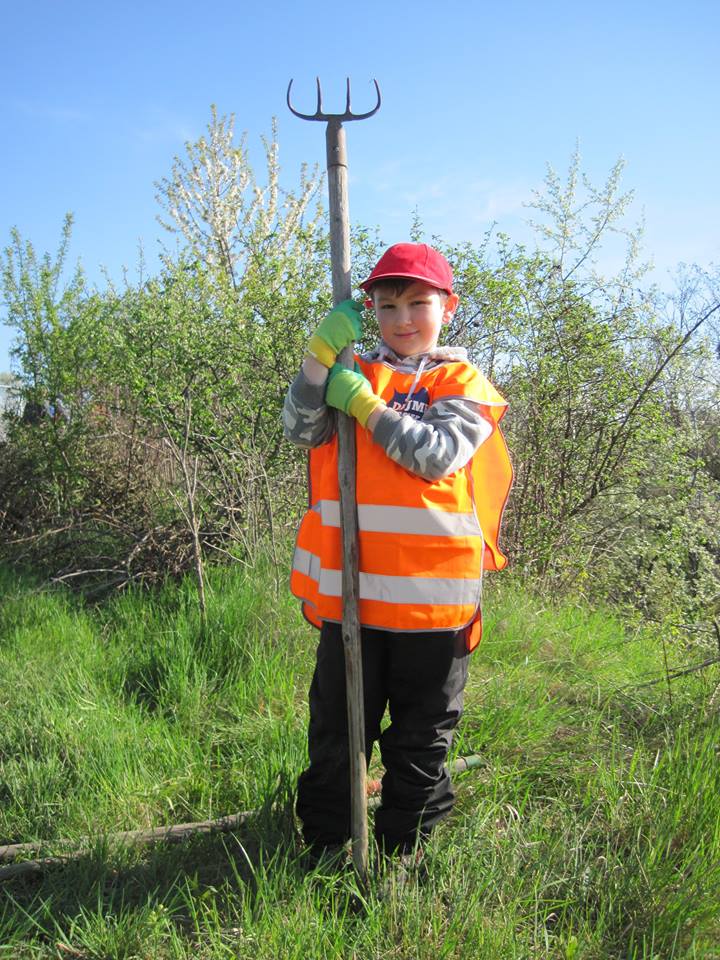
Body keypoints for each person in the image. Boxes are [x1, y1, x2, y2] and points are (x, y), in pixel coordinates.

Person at [282, 242, 512, 863]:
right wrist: (316, 363)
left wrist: (364, 405)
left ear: (448, 307)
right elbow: (301, 430)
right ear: (371, 312)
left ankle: (402, 850)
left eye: (418, 303)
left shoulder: (461, 382)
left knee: (421, 738)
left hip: (431, 610)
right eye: (386, 306)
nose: (402, 318)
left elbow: (433, 456)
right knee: (337, 731)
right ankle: (330, 843)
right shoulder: (352, 368)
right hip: (351, 602)